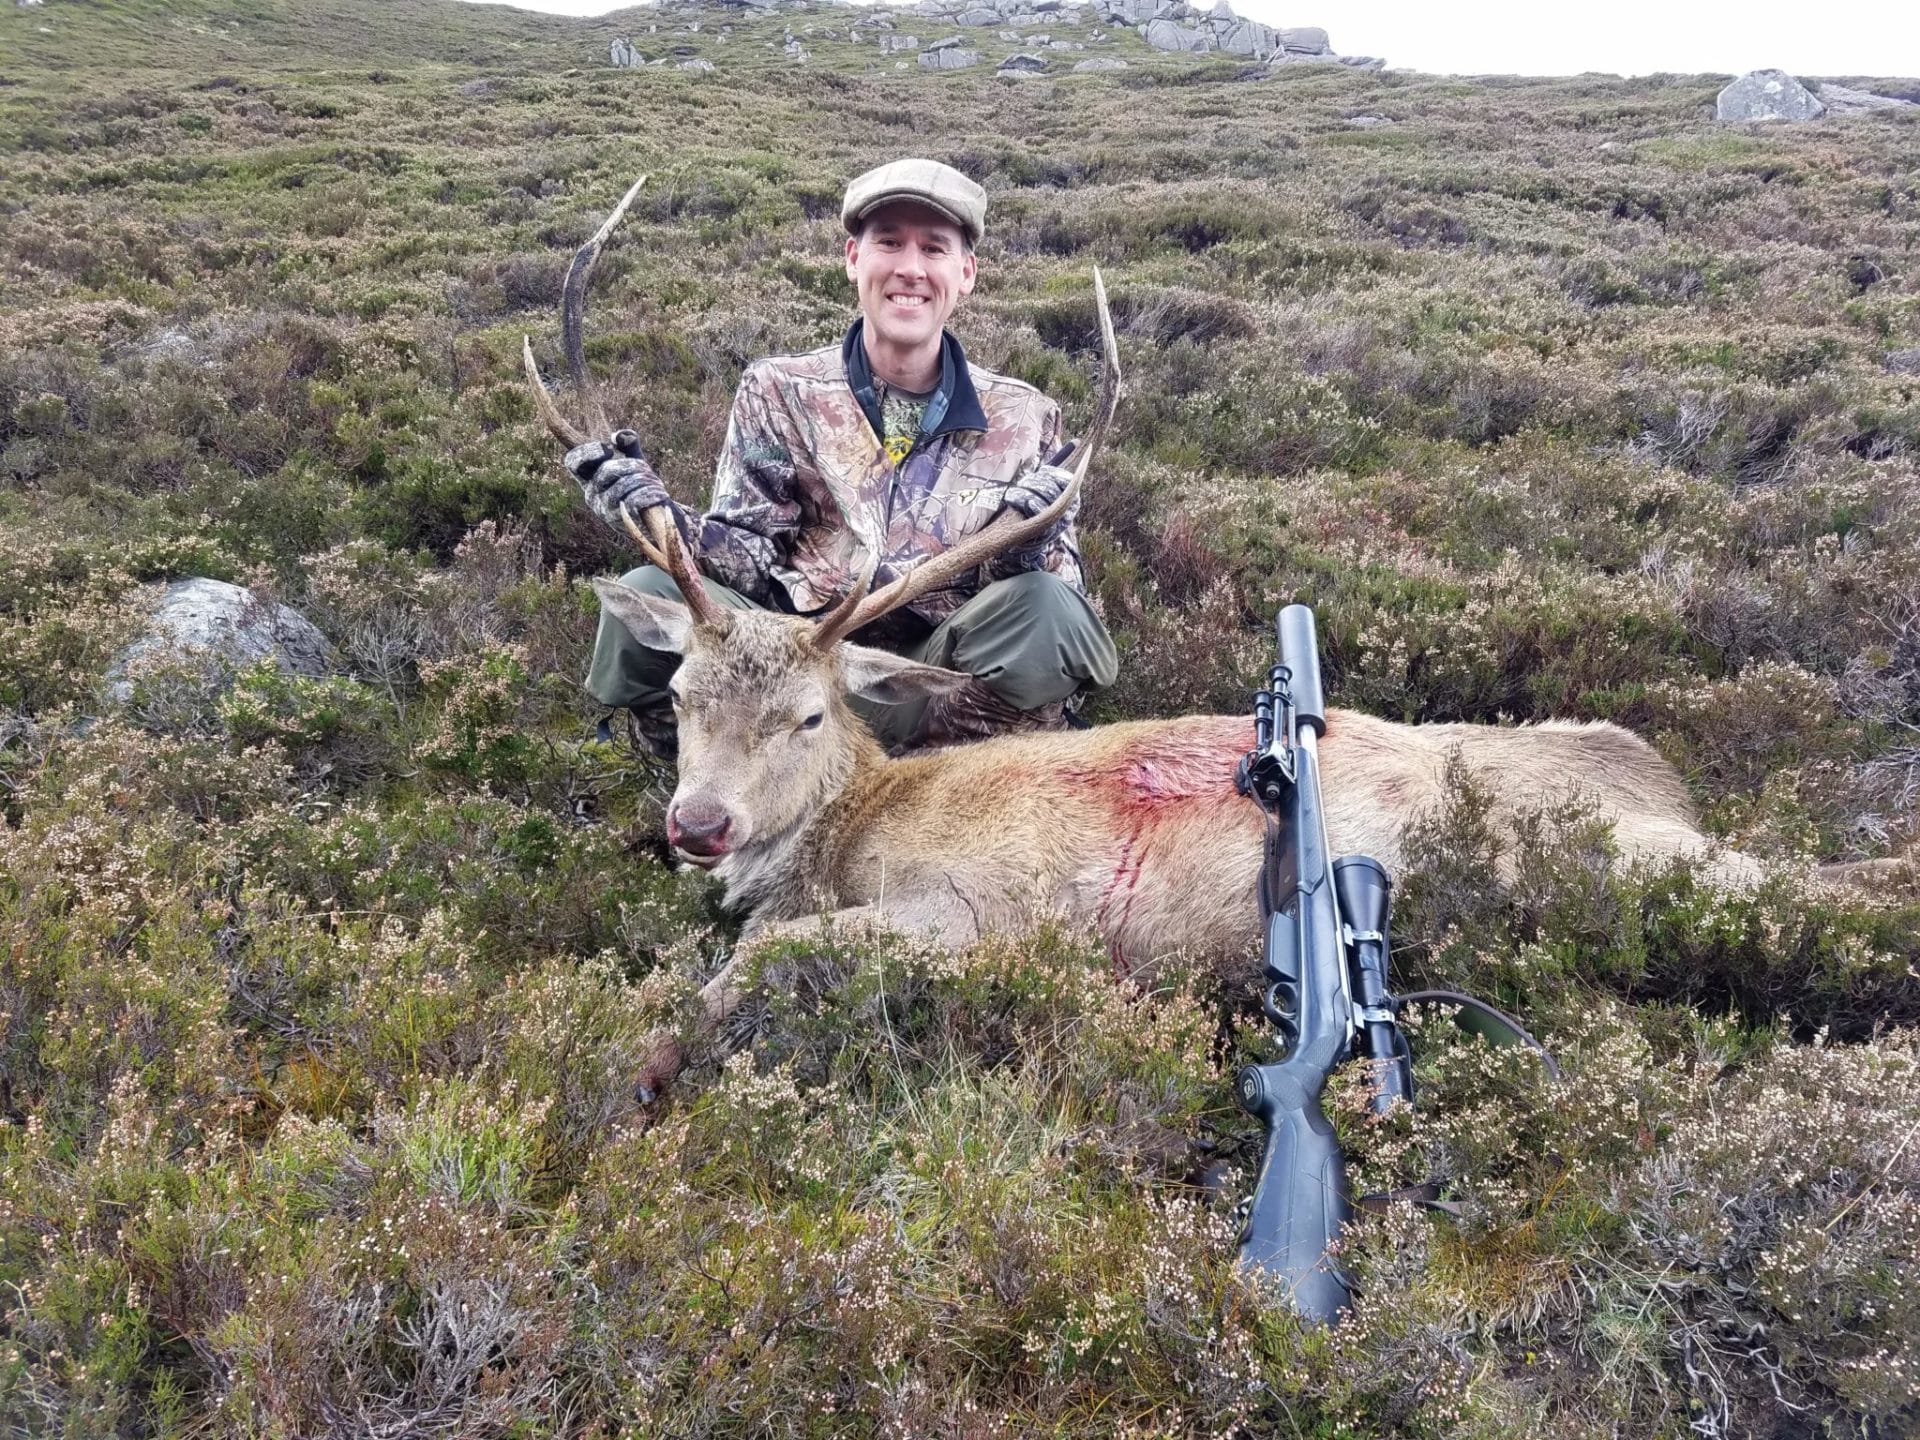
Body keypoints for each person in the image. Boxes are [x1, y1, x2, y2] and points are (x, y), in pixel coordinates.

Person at [566, 157, 1119, 754]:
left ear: (966, 272)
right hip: (793, 676)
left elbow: (1060, 594)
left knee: (1045, 611)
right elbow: (752, 545)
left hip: (934, 683)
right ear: (854, 258)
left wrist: (1028, 545)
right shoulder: (778, 388)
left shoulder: (1024, 416)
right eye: (889, 243)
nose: (910, 268)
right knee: (650, 591)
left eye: (934, 249)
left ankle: (968, 782)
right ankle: (704, 774)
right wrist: (656, 511)